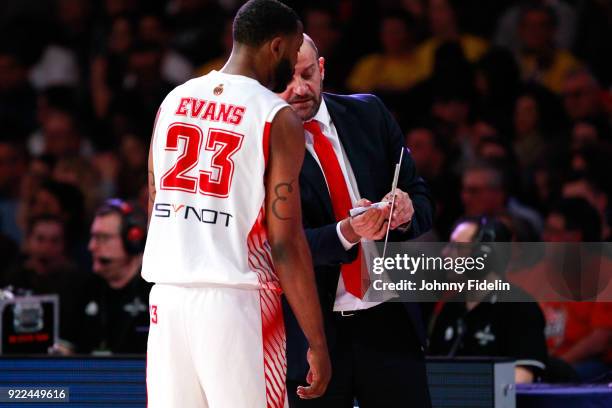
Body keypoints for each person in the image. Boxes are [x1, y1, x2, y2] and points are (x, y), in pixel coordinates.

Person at [143, 1, 330, 407]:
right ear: (276, 46)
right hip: (237, 298)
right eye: (295, 46)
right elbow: (285, 242)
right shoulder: (276, 117)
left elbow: (156, 196)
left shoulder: (174, 100)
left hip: (168, 298)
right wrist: (316, 340)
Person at [278, 34, 434, 407]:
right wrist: (347, 232)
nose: (299, 89)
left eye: (306, 74)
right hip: (313, 333)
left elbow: (423, 198)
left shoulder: (369, 113)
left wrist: (406, 212)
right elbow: (281, 247)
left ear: (322, 68)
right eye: (286, 79)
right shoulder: (261, 144)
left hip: (389, 320)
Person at [428, 217, 548, 384]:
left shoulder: (519, 307)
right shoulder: (451, 307)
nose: (445, 253)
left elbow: (522, 378)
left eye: (456, 247)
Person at [76, 198, 152, 354]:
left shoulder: (155, 291)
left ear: (133, 240)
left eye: (103, 238)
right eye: (93, 237)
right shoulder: (83, 288)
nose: (92, 247)